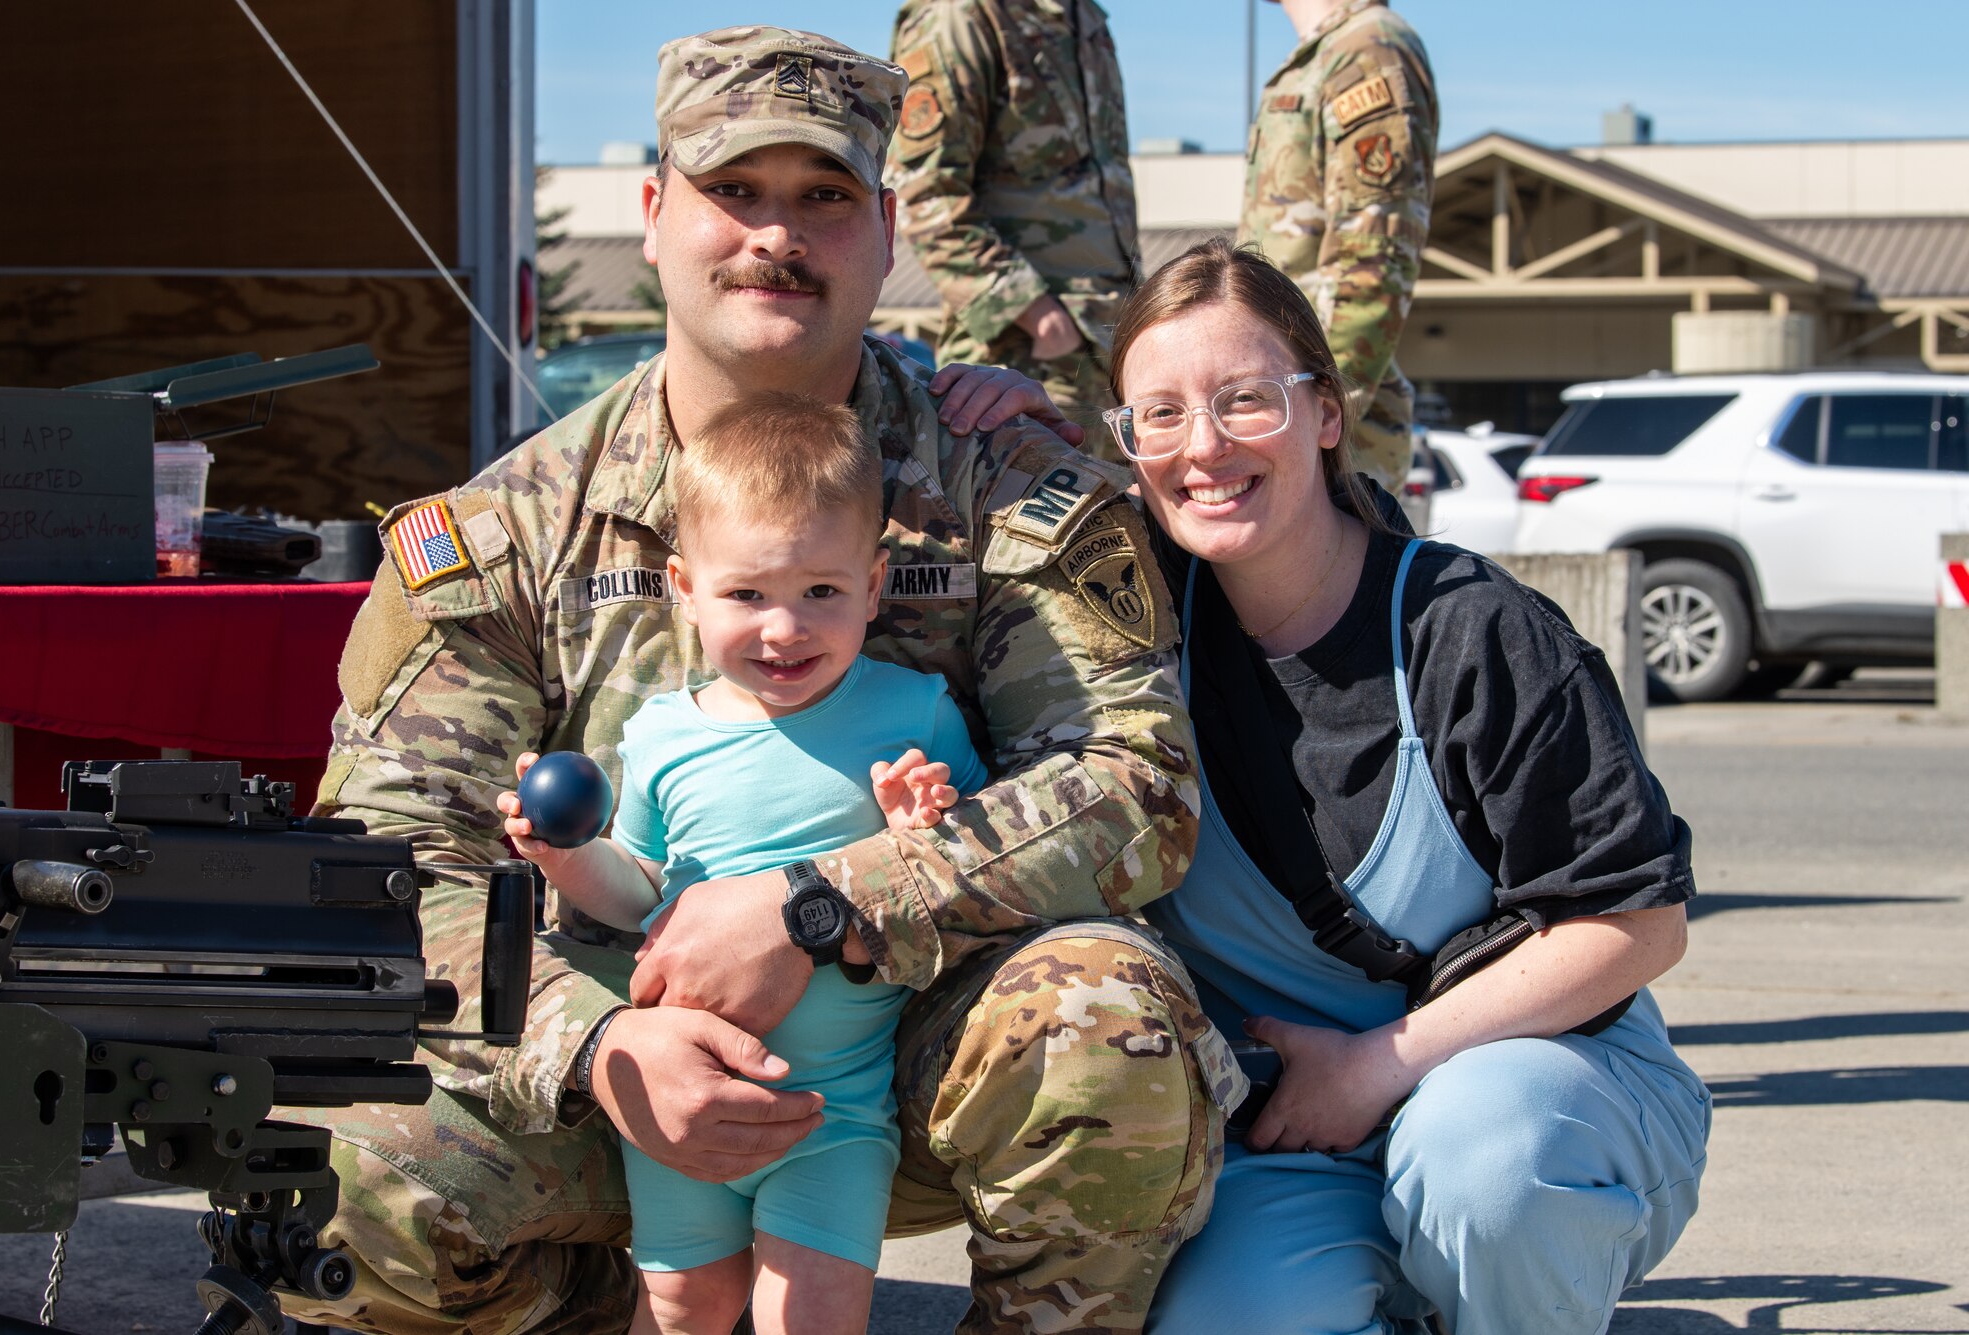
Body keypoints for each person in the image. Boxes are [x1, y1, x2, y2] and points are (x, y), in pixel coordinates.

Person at [292, 27, 1238, 1335]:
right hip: (604, 1084)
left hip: (907, 1058)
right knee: (323, 1170)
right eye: (735, 190)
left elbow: (1136, 784)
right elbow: (386, 856)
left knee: (1109, 1022)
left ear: (889, 231)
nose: (774, 236)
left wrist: (824, 900)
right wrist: (598, 1043)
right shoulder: (506, 532)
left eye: (824, 197)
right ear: (653, 214)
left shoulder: (1007, 484)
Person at [1103, 240, 1710, 1334]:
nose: (1201, 446)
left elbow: (1638, 922)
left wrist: (1381, 1063)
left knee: (1483, 1165)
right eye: (1158, 414)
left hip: (1534, 1094)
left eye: (1245, 400)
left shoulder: (1470, 630)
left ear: (1325, 413)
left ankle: (1523, 1279)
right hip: (1302, 1137)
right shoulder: (1131, 650)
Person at [497, 393, 987, 1335]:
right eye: (747, 594)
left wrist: (924, 817)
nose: (785, 628)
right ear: (684, 586)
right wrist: (563, 854)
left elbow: (965, 863)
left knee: (811, 1312)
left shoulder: (916, 712)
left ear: (876, 586)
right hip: (686, 1098)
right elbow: (637, 888)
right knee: (682, 1303)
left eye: (823, 592)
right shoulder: (663, 734)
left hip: (832, 1112)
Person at [885, 0, 1139, 462]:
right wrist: (1037, 314)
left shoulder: (1085, 19)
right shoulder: (961, 15)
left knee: (1121, 525)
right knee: (1033, 524)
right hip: (1023, 356)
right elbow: (927, 192)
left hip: (1112, 343)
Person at [1241, 0, 1438, 489]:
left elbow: (1373, 258)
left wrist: (1316, 415)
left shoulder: (1366, 47)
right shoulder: (1330, 52)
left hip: (1324, 437)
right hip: (1292, 409)